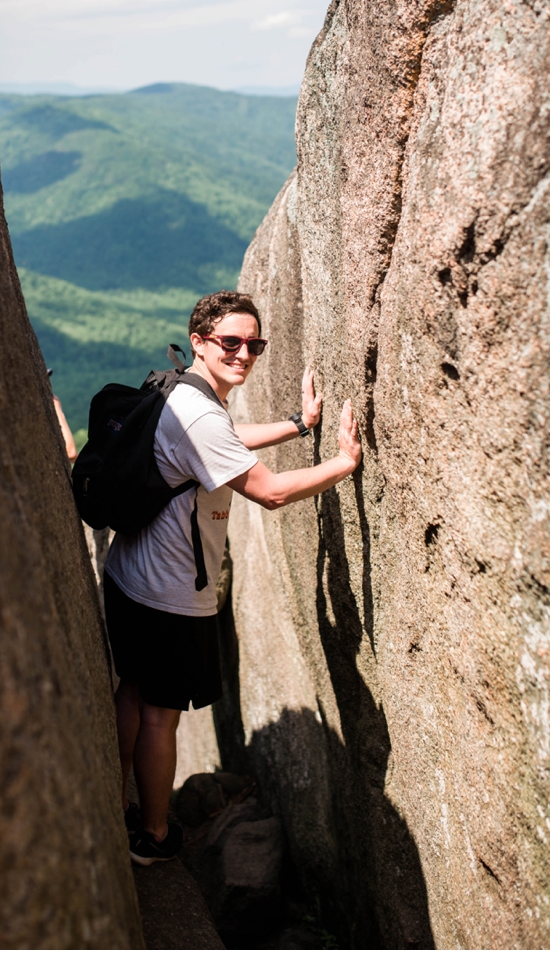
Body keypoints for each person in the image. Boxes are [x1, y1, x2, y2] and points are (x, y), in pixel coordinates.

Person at [102, 290, 361, 865]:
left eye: (255, 344)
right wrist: (343, 464)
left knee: (134, 689)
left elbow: (218, 445)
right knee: (159, 716)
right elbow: (268, 492)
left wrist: (297, 425)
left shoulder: (181, 391)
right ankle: (154, 836)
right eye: (231, 342)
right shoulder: (199, 410)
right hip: (167, 592)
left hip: (128, 576)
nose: (244, 353)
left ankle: (112, 799)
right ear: (199, 342)